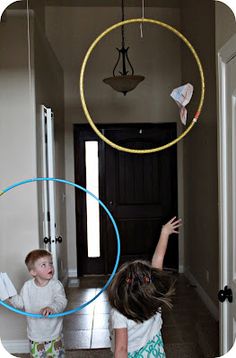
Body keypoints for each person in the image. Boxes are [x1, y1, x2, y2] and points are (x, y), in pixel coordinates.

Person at [108, 216, 182, 358]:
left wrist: (164, 232)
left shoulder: (119, 312)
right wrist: (165, 233)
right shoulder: (154, 299)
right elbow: (158, 261)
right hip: (154, 352)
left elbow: (121, 349)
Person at [8, 249, 67, 358]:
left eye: (50, 263)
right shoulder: (27, 287)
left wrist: (52, 308)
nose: (49, 267)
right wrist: (10, 296)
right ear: (33, 272)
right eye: (43, 265)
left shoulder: (56, 285)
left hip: (54, 335)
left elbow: (61, 301)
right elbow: (20, 303)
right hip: (35, 336)